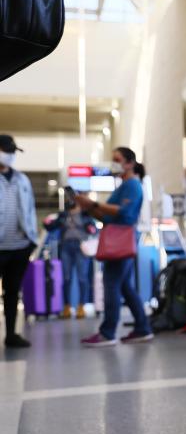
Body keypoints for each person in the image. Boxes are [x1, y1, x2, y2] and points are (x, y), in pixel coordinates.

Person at [75, 147, 151, 347]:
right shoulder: (122, 187)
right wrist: (89, 207)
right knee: (125, 286)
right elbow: (107, 215)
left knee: (111, 284)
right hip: (117, 237)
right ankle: (142, 328)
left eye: (117, 159)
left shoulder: (133, 186)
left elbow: (123, 211)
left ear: (130, 163)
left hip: (120, 239)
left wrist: (93, 203)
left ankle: (108, 332)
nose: (114, 163)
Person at [0, 134, 37, 349]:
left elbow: (30, 210)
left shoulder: (22, 179)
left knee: (13, 292)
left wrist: (31, 240)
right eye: (7, 151)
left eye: (13, 151)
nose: (10, 155)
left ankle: (11, 334)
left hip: (20, 247)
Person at [44, 191, 97, 319]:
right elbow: (51, 227)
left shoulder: (85, 214)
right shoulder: (64, 214)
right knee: (66, 278)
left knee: (82, 278)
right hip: (66, 247)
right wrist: (47, 223)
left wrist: (90, 228)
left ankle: (81, 307)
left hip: (81, 247)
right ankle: (67, 306)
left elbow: (93, 229)